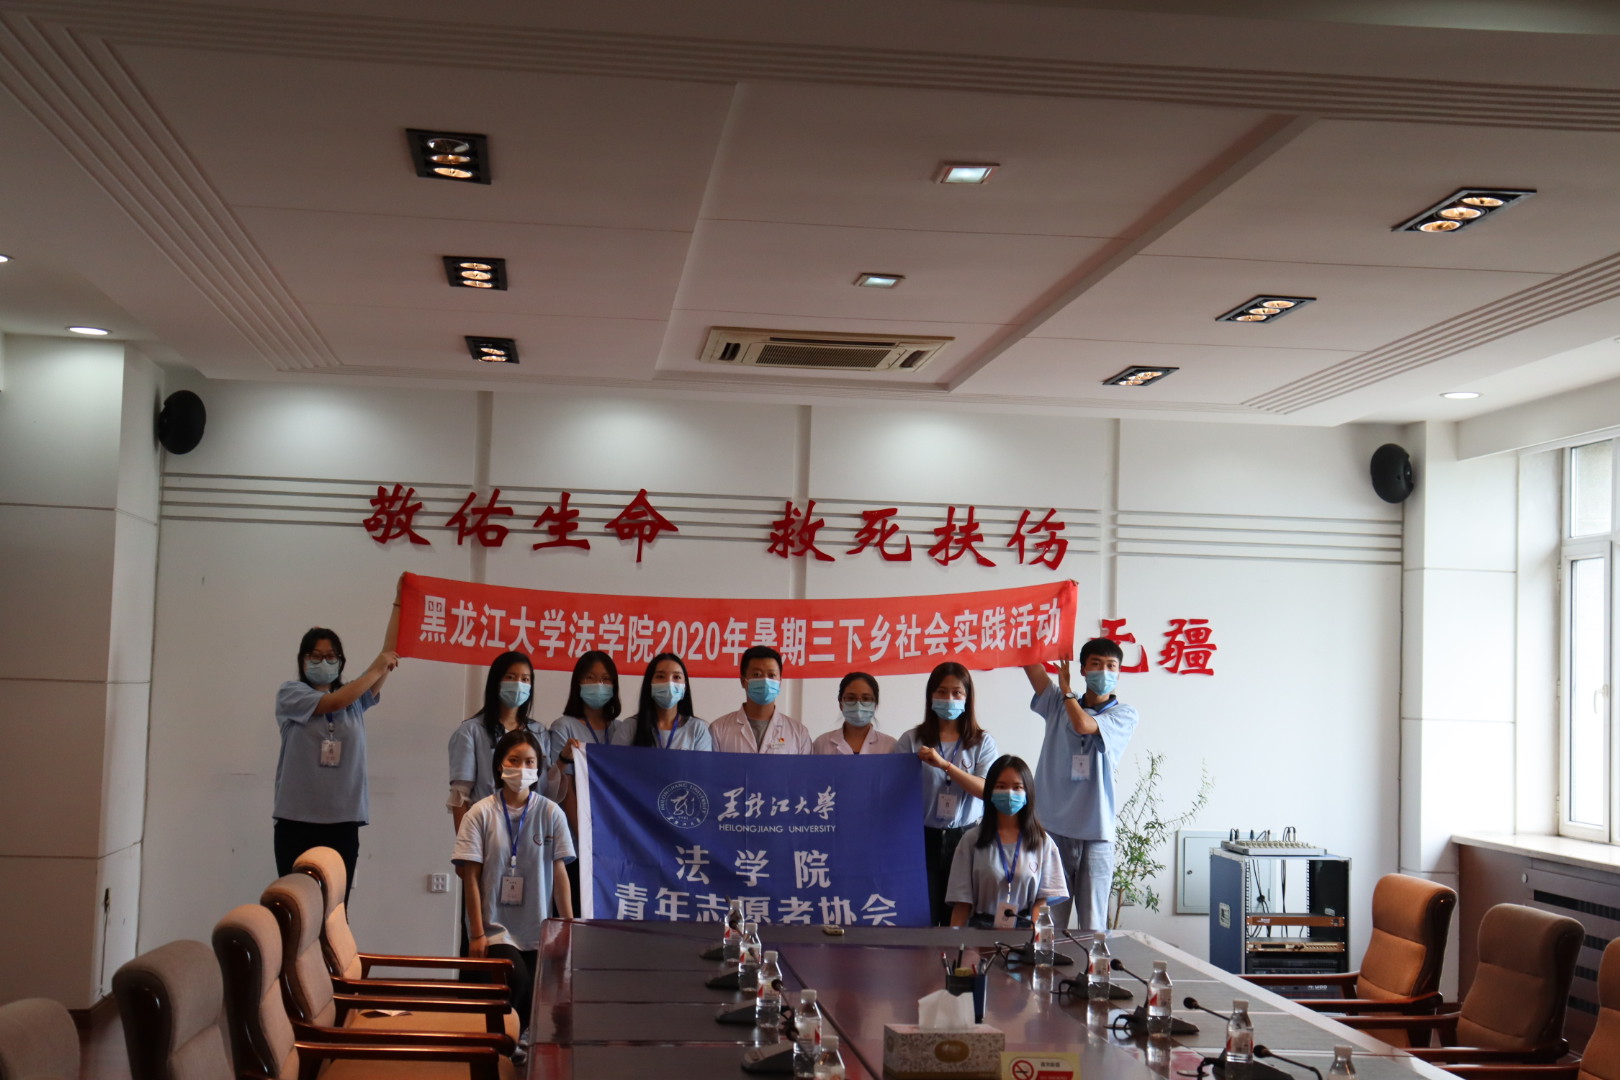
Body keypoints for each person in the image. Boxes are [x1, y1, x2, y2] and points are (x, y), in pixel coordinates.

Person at [452, 728, 574, 1060]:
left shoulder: (551, 813)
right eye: (514, 760)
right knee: (515, 978)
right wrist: (476, 933)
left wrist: (568, 926)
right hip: (495, 927)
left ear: (539, 767)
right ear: (499, 765)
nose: (522, 768)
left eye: (530, 762)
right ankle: (507, 1040)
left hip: (537, 927)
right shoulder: (480, 813)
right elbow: (470, 876)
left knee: (536, 991)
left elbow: (560, 874)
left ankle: (512, 1040)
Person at [272, 599, 400, 899]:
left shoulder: (355, 699)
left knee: (335, 909)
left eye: (330, 656)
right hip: (297, 822)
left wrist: (398, 602)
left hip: (342, 822)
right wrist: (376, 667)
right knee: (296, 908)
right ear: (303, 660)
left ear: (341, 661)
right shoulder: (291, 693)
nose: (323, 662)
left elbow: (389, 655)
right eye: (315, 656)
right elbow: (333, 702)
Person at [1022, 638, 1139, 932]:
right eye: (1096, 664)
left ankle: (1092, 964)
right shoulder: (1057, 703)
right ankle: (1046, 964)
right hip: (1052, 829)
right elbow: (1029, 664)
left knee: (1093, 923)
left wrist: (1066, 691)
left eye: (1111, 666)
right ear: (1083, 669)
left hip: (1096, 833)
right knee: (1048, 923)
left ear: (1119, 672)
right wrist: (1024, 628)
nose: (1104, 671)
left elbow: (1083, 725)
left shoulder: (1124, 714)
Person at [892, 661, 999, 925]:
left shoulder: (982, 742)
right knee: (923, 918)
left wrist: (945, 766)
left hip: (965, 837)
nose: (948, 699)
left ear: (967, 698)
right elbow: (893, 788)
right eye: (941, 691)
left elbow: (986, 790)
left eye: (956, 692)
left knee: (959, 920)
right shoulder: (911, 740)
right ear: (930, 696)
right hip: (921, 839)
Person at [945, 755, 1068, 928]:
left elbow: (1041, 902)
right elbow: (962, 902)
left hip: (1025, 930)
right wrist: (955, 939)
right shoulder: (971, 840)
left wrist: (1035, 935)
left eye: (1017, 787)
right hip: (980, 932)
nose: (1009, 793)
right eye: (1001, 786)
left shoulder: (1042, 842)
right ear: (990, 791)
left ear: (1028, 793)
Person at [548, 650, 626, 913]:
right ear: (578, 683)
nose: (598, 685)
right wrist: (586, 837)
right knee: (576, 913)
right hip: (577, 841)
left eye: (605, 679)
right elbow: (565, 788)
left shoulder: (621, 728)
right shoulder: (564, 726)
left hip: (613, 842)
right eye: (590, 678)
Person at [447, 651, 548, 834]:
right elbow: (460, 796)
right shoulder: (470, 731)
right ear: (496, 681)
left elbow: (545, 788)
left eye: (525, 679)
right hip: (486, 830)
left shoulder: (539, 732)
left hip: (531, 832)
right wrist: (466, 845)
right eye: (511, 677)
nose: (518, 684)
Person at [709, 645, 813, 754]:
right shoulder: (718, 730)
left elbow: (806, 766)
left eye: (771, 675)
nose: (765, 681)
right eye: (757, 674)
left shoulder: (799, 733)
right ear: (743, 681)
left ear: (780, 682)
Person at [627, 653, 713, 750]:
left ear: (685, 687)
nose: (669, 683)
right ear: (649, 683)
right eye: (660, 676)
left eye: (676, 677)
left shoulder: (697, 729)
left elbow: (703, 760)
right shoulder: (630, 726)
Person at [811, 671, 897, 755]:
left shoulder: (891, 746)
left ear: (875, 705)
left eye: (866, 699)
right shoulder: (821, 744)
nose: (858, 705)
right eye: (851, 698)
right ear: (841, 704)